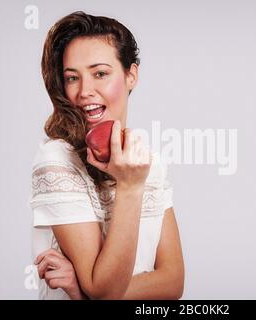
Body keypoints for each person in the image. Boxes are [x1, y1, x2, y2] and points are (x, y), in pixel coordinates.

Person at [29, 11, 184, 300]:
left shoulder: (149, 162)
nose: (85, 91)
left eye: (100, 73)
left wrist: (83, 291)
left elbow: (173, 283)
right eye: (72, 77)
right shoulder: (57, 161)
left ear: (131, 76)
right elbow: (105, 292)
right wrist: (129, 187)